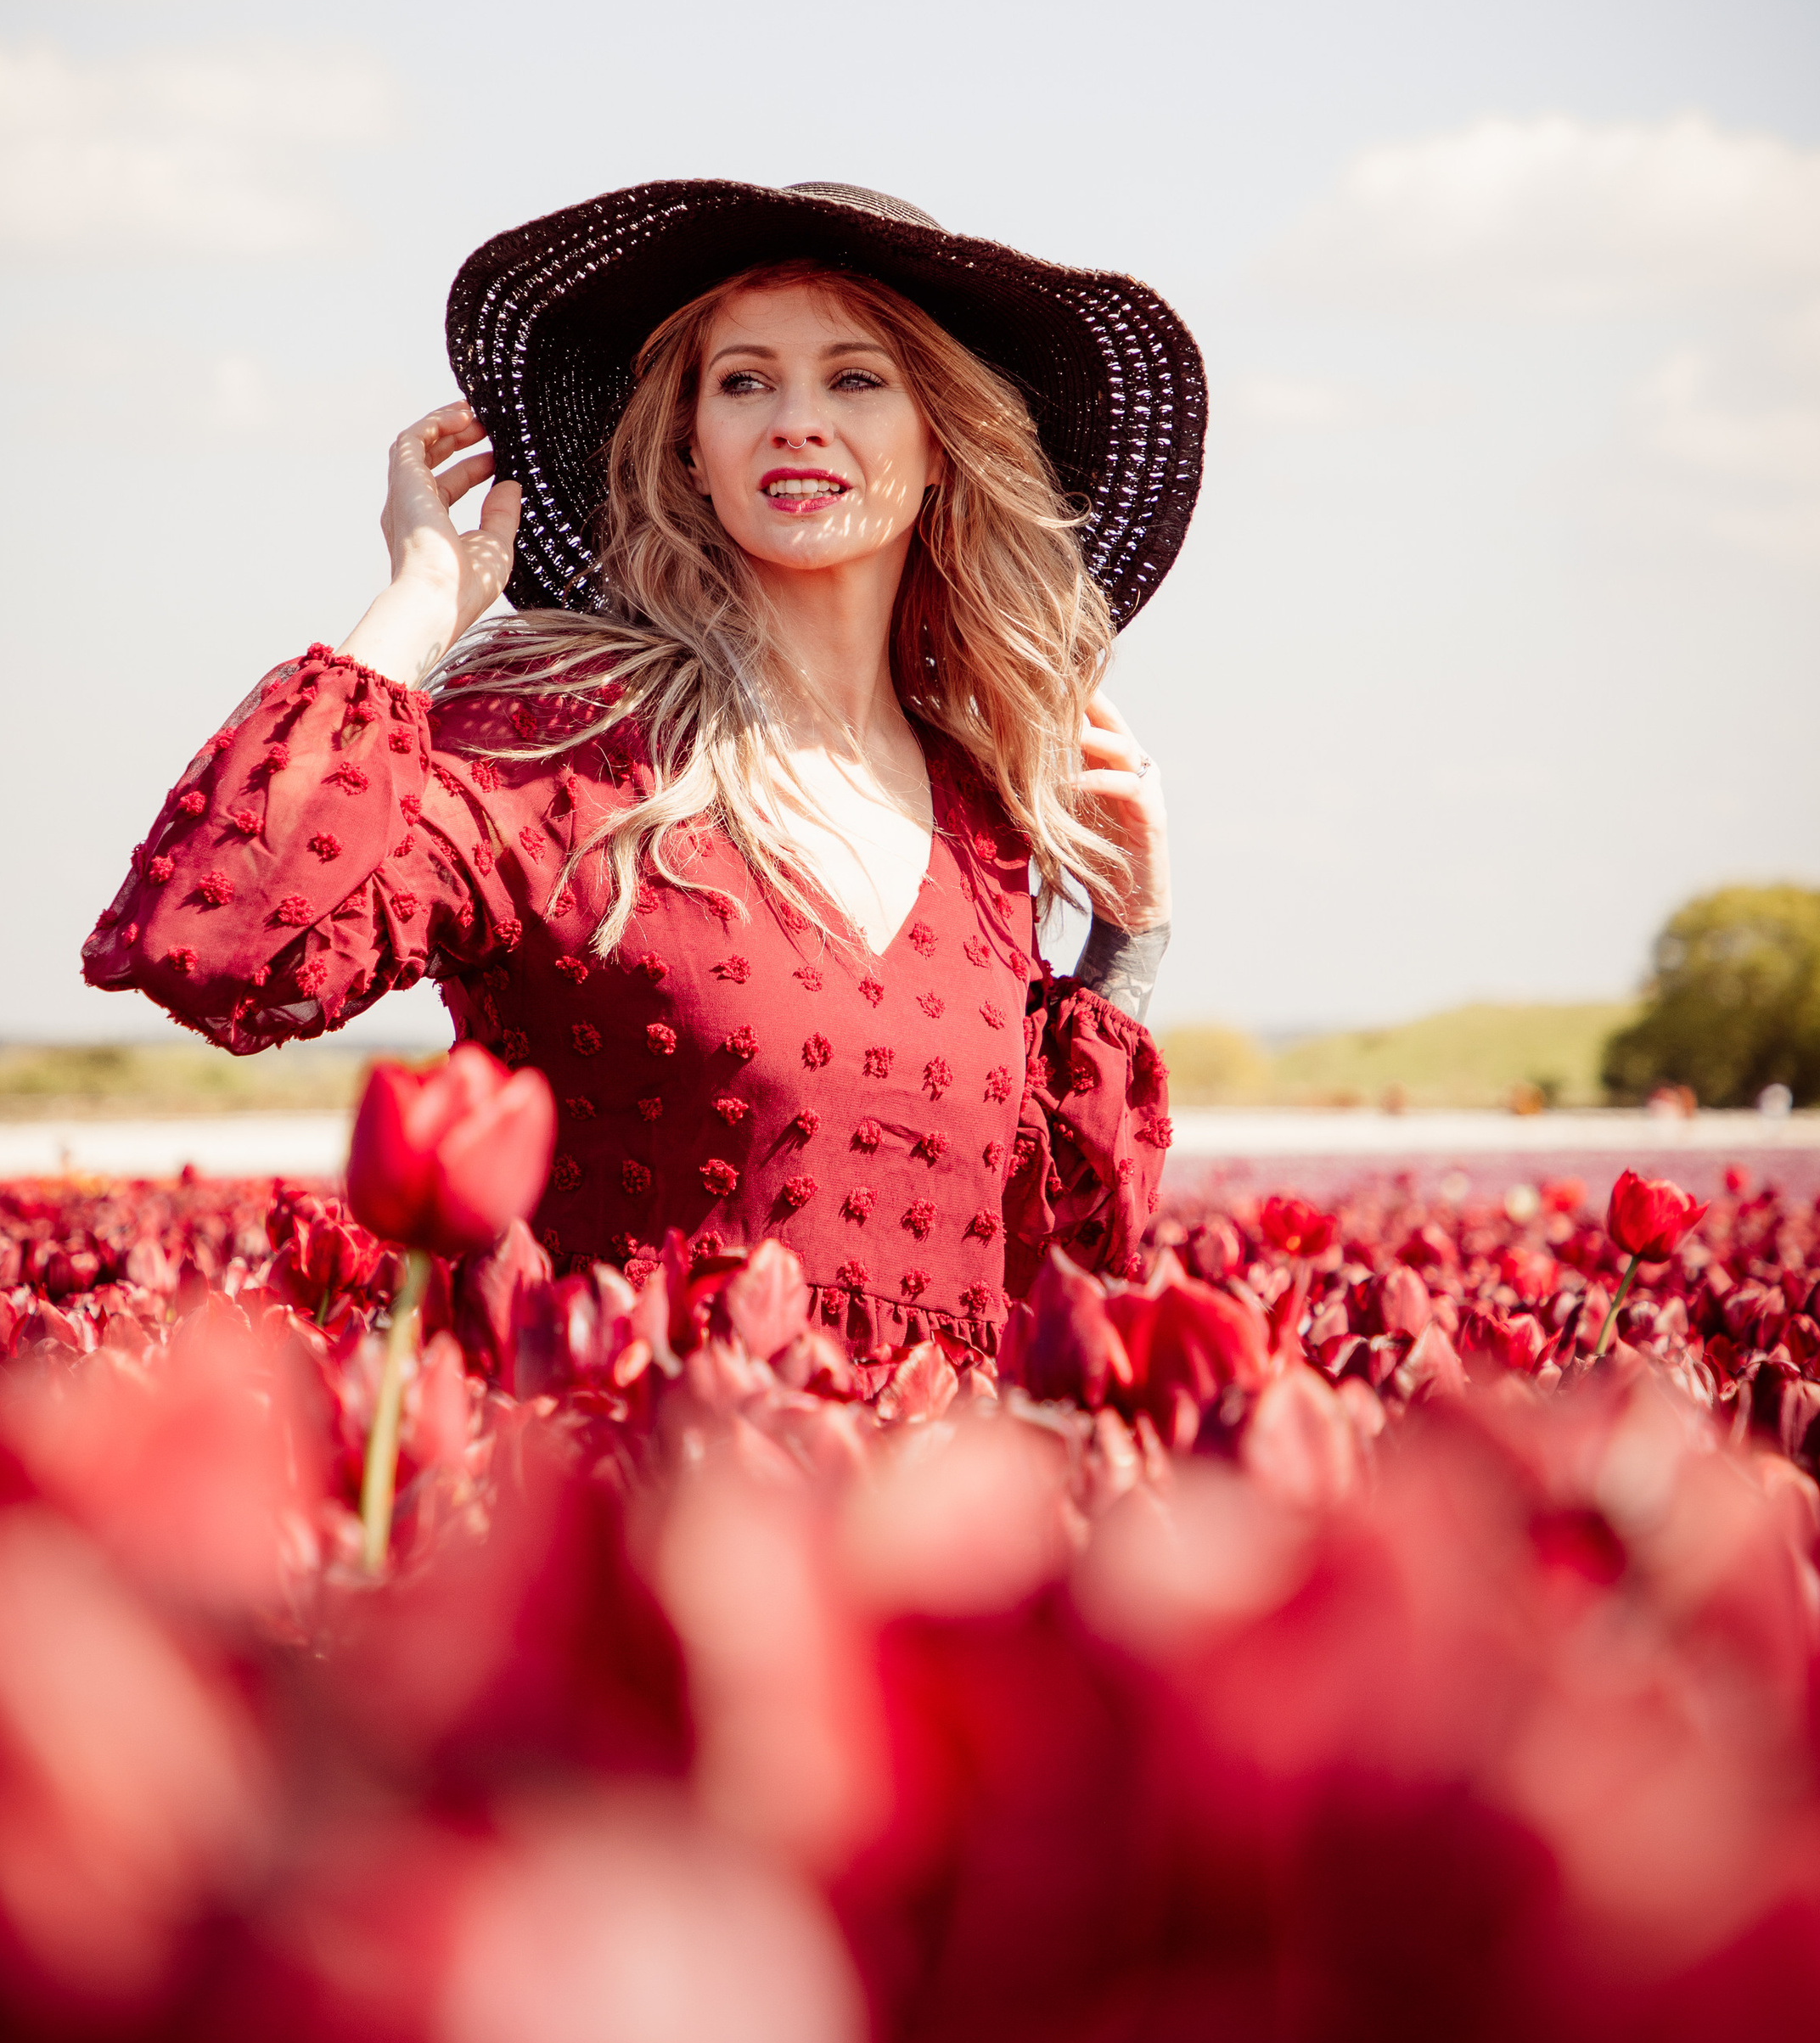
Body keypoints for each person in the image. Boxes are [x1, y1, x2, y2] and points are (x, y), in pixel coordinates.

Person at [83, 178, 1206, 1364]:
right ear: (693, 444)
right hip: (608, 1506)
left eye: (857, 378)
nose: (795, 421)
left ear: (944, 444)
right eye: (744, 381)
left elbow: (1030, 1284)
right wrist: (417, 608)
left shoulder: (983, 816)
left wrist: (1125, 950)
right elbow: (224, 953)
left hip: (907, 1537)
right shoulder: (556, 737)